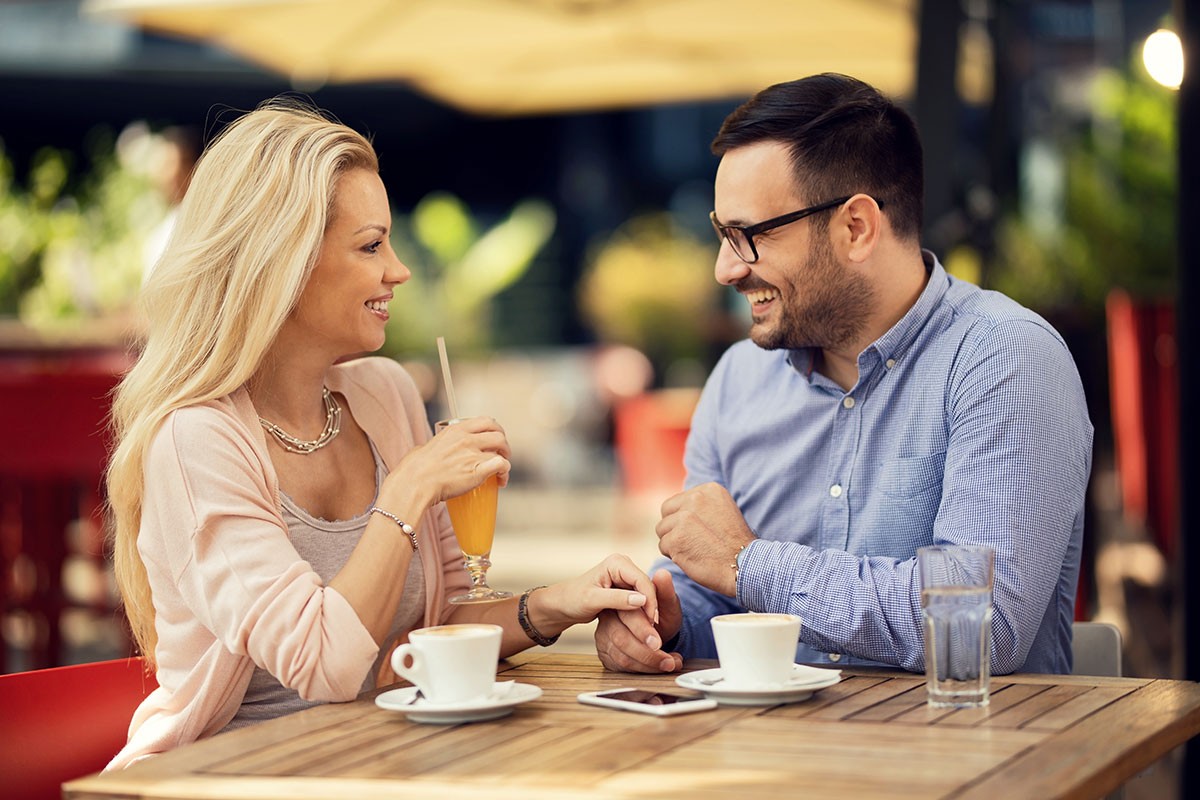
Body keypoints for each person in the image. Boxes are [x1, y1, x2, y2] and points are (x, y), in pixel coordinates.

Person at [105, 98, 658, 768]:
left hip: (375, 760)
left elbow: (440, 627)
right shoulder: (197, 442)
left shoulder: (384, 393)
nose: (398, 270)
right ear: (284, 262)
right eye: (371, 246)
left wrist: (557, 604)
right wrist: (411, 486)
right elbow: (327, 664)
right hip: (229, 773)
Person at [594, 73, 1093, 677]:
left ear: (856, 227)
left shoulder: (1004, 359)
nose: (725, 269)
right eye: (722, 234)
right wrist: (664, 625)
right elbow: (719, 596)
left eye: (749, 235)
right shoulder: (738, 378)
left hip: (967, 761)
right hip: (777, 759)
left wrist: (751, 564)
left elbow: (981, 631)